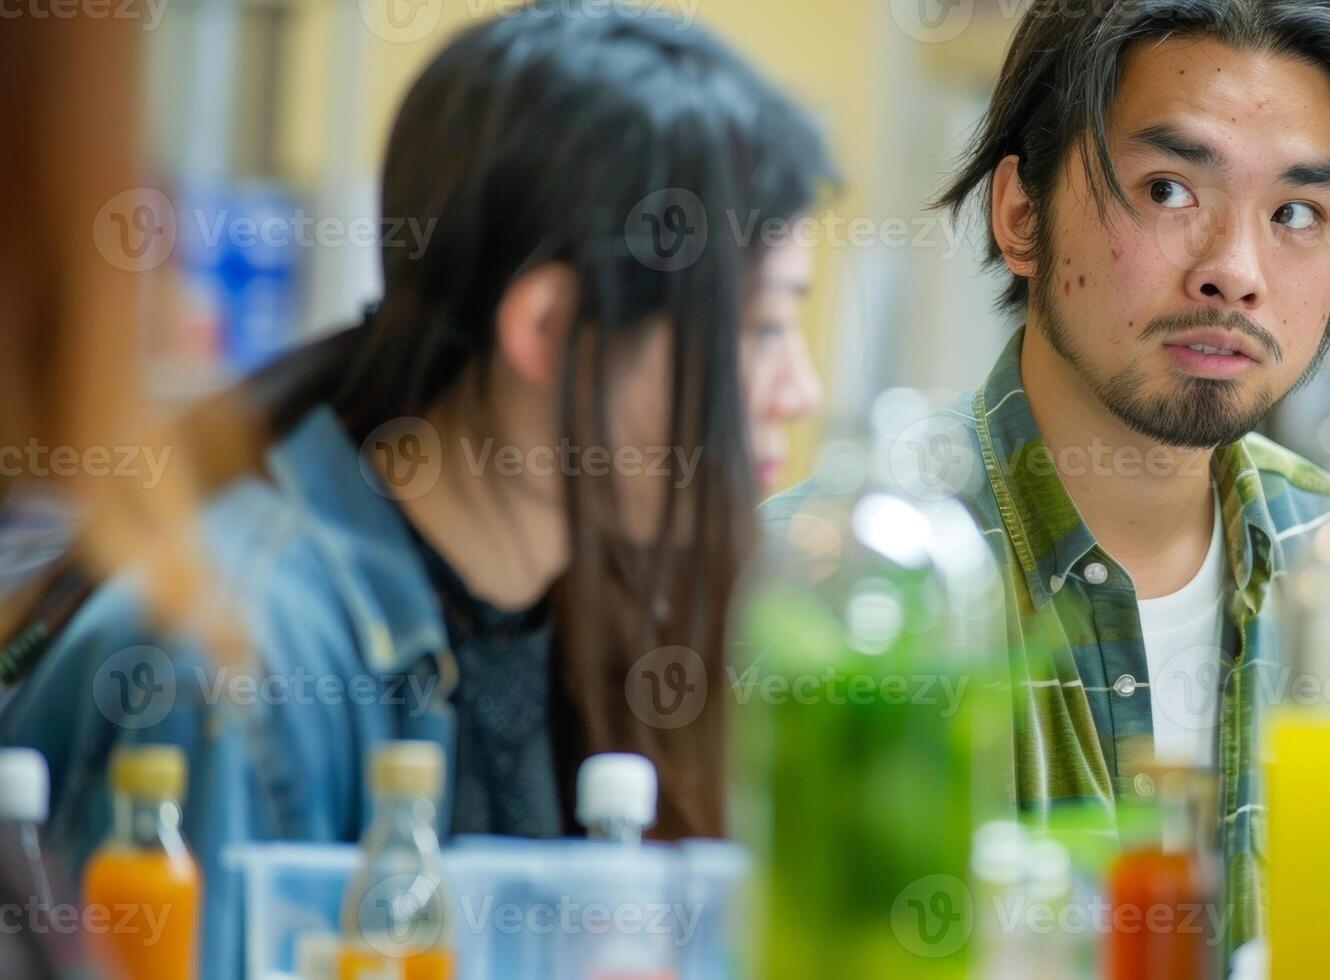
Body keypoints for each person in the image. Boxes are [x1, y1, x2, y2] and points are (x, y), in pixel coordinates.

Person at [0, 3, 831, 976]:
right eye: (763, 328)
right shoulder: (225, 666)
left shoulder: (611, 617)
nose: (799, 388)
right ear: (549, 328)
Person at [763, 0, 1330, 958]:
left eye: (1295, 213)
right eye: (1168, 189)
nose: (1234, 272)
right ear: (1021, 215)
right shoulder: (819, 586)